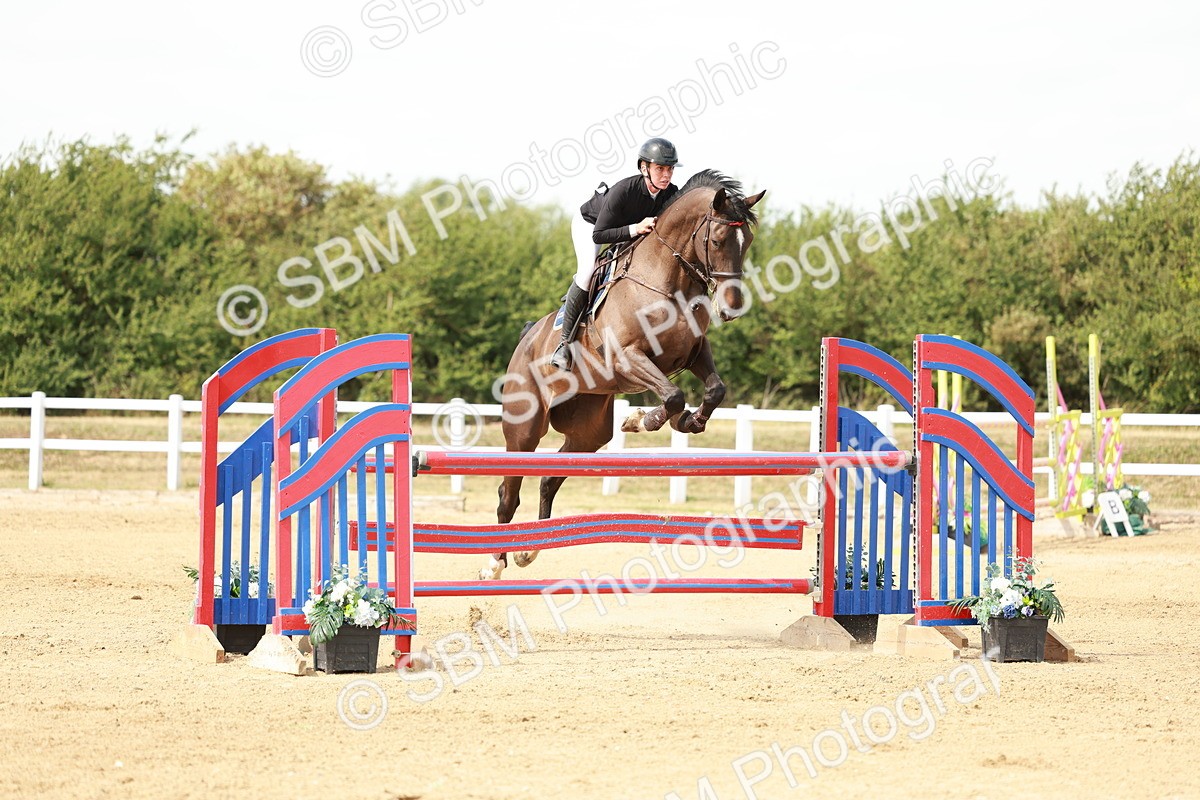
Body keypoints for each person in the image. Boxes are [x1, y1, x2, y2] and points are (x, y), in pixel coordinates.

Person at [550, 137, 682, 371]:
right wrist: (635, 229)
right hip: (591, 225)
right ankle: (564, 344)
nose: (666, 175)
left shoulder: (670, 193)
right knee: (587, 273)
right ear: (644, 168)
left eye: (670, 169)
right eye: (660, 168)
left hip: (625, 229)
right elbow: (599, 235)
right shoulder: (624, 190)